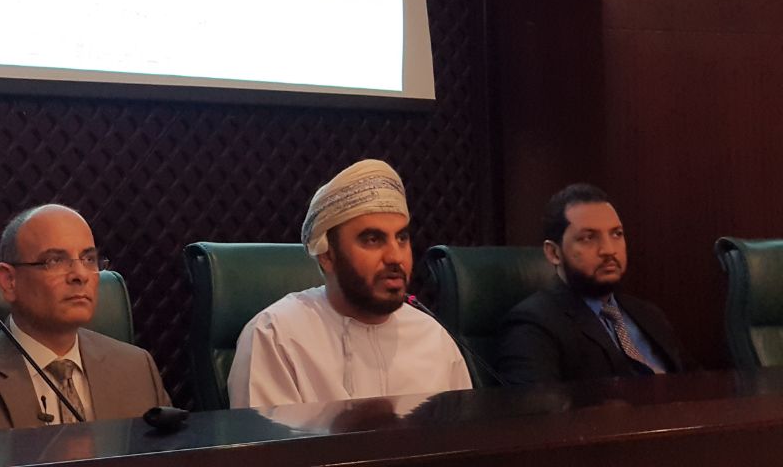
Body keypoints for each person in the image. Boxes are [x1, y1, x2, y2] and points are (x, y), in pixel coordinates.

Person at [227, 159, 471, 408]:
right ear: (327, 255)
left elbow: (463, 430)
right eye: (373, 239)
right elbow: (266, 434)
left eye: (401, 238)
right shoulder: (276, 336)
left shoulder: (433, 337)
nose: (395, 257)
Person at [0, 204, 169, 434]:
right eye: (55, 261)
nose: (80, 275)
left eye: (89, 259)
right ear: (9, 281)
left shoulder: (137, 369)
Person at [497, 183, 689, 385]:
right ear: (554, 253)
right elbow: (537, 403)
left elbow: (696, 382)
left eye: (616, 234)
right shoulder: (533, 325)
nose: (609, 250)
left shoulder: (648, 314)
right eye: (588, 238)